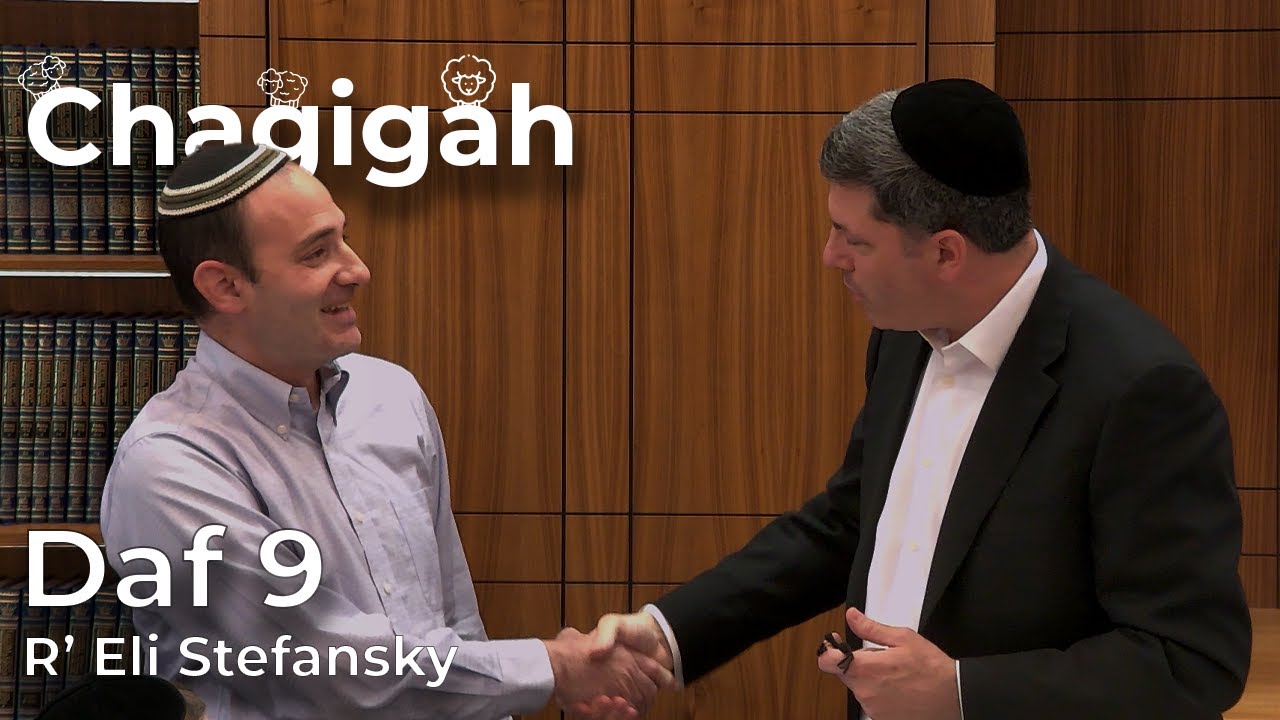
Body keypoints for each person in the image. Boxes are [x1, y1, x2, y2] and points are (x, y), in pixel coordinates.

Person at [583, 78, 1253, 719]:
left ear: (945, 254)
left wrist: (962, 694)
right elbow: (851, 523)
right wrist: (670, 633)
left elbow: (1190, 663)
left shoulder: (1141, 389)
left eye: (854, 239)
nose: (831, 256)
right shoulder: (906, 333)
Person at [100, 142, 669, 720]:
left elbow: (454, 622)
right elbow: (331, 670)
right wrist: (552, 669)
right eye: (317, 253)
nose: (357, 270)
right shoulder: (169, 466)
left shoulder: (391, 396)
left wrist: (536, 688)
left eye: (342, 238)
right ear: (225, 286)